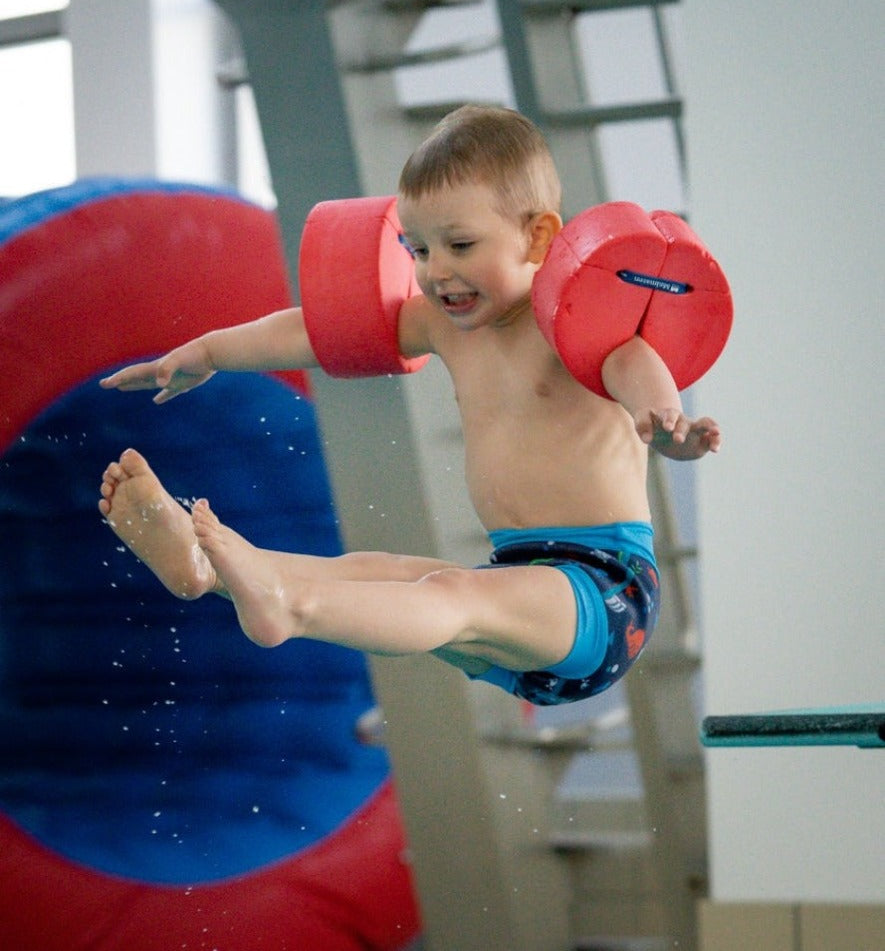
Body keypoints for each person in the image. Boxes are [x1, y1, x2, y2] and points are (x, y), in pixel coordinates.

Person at [98, 104, 720, 706]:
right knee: (384, 571)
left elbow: (637, 367)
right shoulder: (447, 324)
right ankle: (211, 571)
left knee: (449, 593)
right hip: (515, 576)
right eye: (418, 250)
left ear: (537, 236)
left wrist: (668, 427)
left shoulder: (576, 321)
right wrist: (211, 350)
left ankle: (287, 604)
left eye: (460, 245)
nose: (437, 271)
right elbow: (316, 332)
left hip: (604, 589)